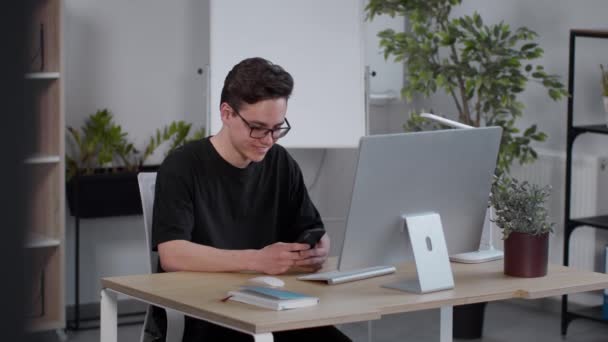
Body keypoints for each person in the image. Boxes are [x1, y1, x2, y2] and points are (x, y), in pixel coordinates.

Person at [150, 57, 352, 342]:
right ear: (227, 113)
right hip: (207, 315)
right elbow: (172, 255)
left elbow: (311, 229)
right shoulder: (182, 165)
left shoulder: (281, 163)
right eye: (257, 127)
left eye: (277, 128)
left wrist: (317, 248)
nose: (268, 140)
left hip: (274, 307)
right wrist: (258, 260)